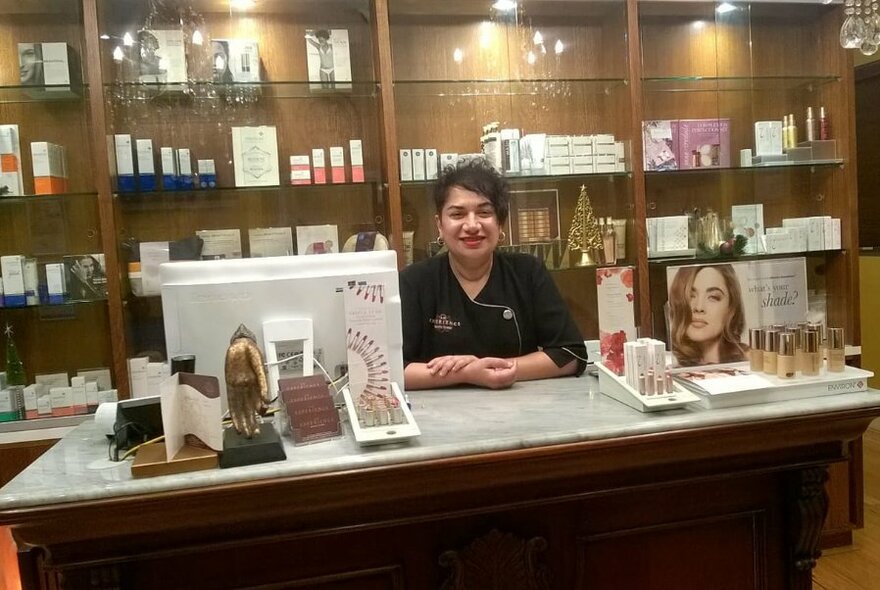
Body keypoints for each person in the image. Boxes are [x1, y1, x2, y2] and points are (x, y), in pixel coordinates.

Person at [400, 158, 587, 390]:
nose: (471, 225)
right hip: (439, 418)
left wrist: (499, 370)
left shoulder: (528, 272)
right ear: (440, 225)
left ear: (500, 223)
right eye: (457, 214)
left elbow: (570, 355)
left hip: (521, 411)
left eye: (484, 212)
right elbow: (394, 370)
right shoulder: (414, 281)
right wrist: (467, 373)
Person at [668, 263, 748, 366]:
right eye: (690, 296)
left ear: (731, 307)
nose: (699, 308)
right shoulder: (670, 365)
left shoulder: (750, 361)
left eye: (713, 297)